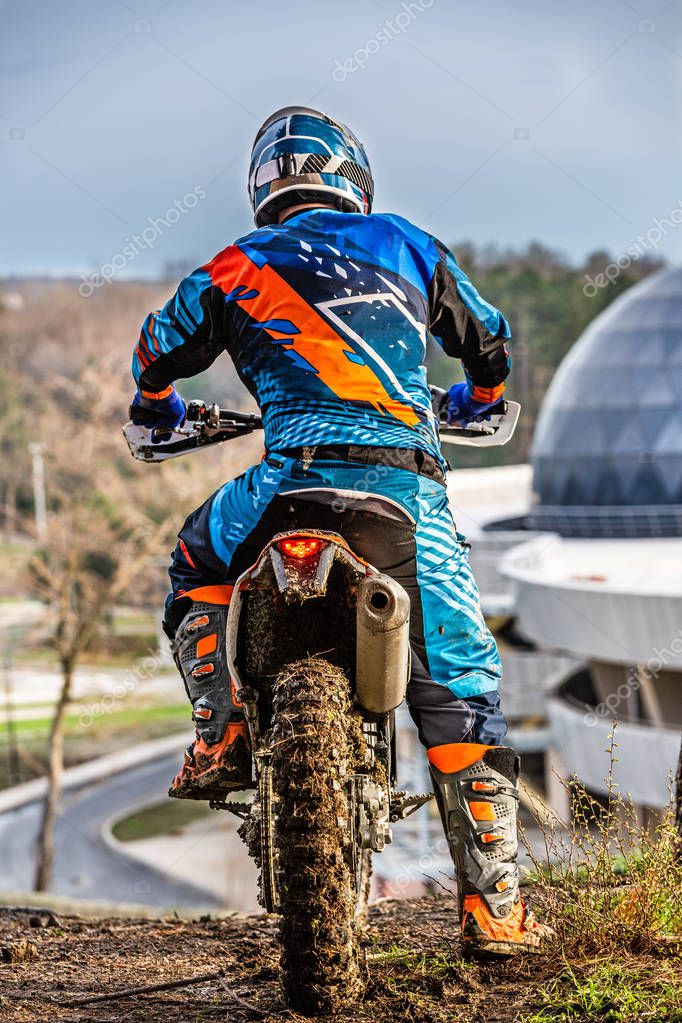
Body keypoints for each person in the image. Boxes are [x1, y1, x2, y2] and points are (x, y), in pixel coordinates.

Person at [129, 106, 551, 956]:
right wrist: (475, 398)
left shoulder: (231, 267)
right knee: (462, 687)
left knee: (192, 560)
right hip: (404, 497)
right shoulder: (408, 245)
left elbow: (153, 355)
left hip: (284, 484)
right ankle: (494, 912)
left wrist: (163, 411)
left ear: (264, 188)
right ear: (352, 176)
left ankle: (219, 730)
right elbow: (491, 344)